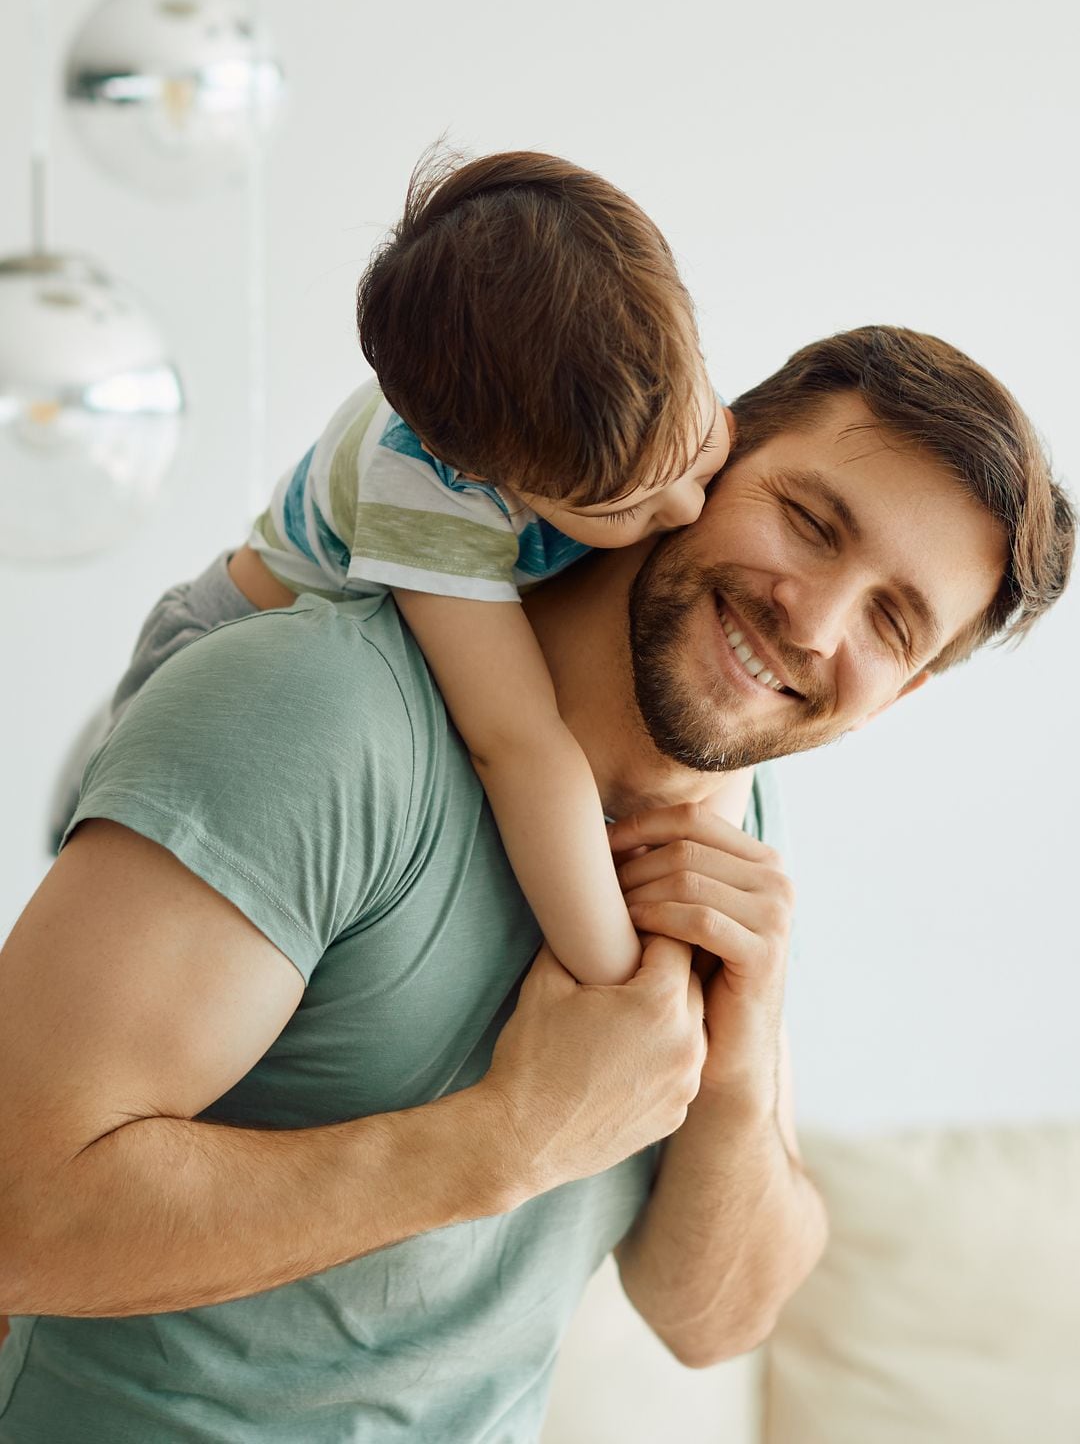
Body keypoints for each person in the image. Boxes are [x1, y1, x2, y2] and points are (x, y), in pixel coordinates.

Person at [0, 326, 1072, 1443]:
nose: (811, 622)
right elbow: (14, 1210)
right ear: (709, 461)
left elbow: (713, 1317)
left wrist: (739, 1057)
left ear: (895, 696)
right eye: (808, 523)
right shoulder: (319, 714)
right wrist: (505, 1142)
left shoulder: (734, 822)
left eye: (891, 622)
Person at [236, 149, 731, 988]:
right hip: (236, 652)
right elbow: (518, 745)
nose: (685, 510)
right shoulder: (428, 488)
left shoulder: (638, 378)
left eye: (701, 442)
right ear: (492, 478)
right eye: (622, 510)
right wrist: (621, 983)